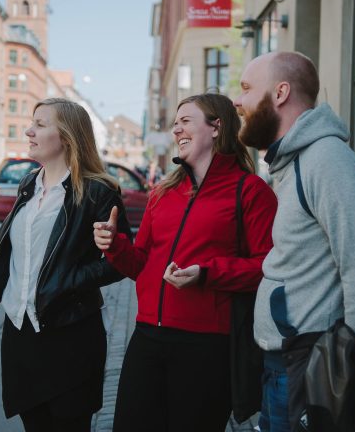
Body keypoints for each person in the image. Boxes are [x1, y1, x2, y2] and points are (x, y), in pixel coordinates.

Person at [233, 51, 355, 431]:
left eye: (245, 89)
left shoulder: (326, 160)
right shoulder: (293, 162)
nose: (238, 102)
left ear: (280, 93)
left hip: (312, 369)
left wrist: (350, 369)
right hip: (284, 365)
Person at [93, 93, 277, 431]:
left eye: (186, 121)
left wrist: (207, 274)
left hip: (207, 346)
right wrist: (114, 245)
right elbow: (140, 264)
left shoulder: (250, 191)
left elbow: (269, 266)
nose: (177, 129)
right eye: (175, 123)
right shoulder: (162, 193)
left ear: (216, 127)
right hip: (148, 338)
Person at [0, 97, 131, 432]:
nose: (29, 131)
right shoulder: (28, 183)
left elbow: (120, 263)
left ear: (68, 136)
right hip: (20, 331)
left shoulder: (98, 192)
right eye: (32, 123)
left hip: (69, 331)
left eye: (41, 125)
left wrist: (68, 280)